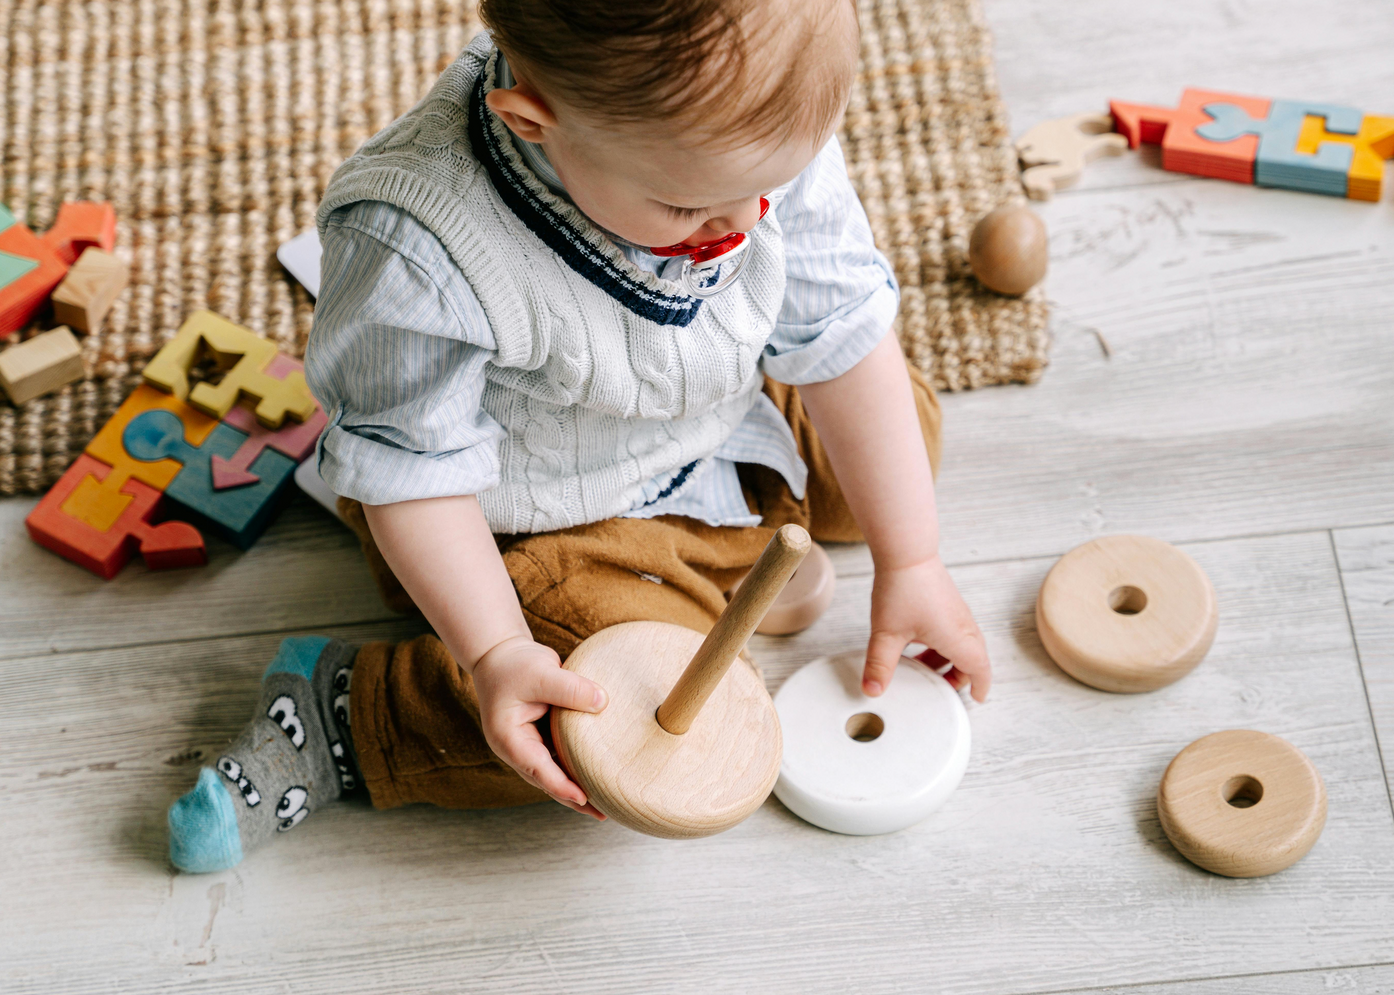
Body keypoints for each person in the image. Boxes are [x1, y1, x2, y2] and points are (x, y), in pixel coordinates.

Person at [167, 0, 991, 873]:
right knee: (599, 718)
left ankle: (732, 538)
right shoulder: (415, 243)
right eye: (688, 206)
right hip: (531, 518)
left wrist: (913, 561)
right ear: (533, 122)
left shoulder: (741, 140)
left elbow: (838, 325)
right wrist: (493, 652)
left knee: (899, 433)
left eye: (769, 186)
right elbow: (414, 479)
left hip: (712, 412)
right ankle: (345, 714)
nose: (744, 225)